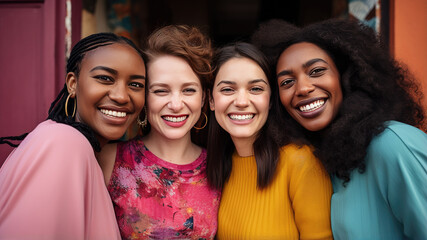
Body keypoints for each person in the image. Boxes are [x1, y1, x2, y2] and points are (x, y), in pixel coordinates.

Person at [252, 18, 427, 239]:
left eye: (316, 71)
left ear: (346, 77)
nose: (303, 88)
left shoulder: (393, 144)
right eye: (287, 82)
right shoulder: (325, 160)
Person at [0, 32, 146, 239]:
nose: (121, 96)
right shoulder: (64, 143)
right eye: (105, 78)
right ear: (73, 83)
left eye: (136, 85)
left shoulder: (83, 150)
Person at [98, 25, 220, 239]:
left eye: (188, 90)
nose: (175, 104)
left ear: (203, 98)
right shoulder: (109, 160)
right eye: (161, 90)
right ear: (145, 97)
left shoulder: (219, 167)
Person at [207, 42, 333, 239]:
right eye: (228, 90)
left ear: (271, 100)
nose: (241, 101)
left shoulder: (300, 161)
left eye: (256, 89)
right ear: (211, 101)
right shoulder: (217, 166)